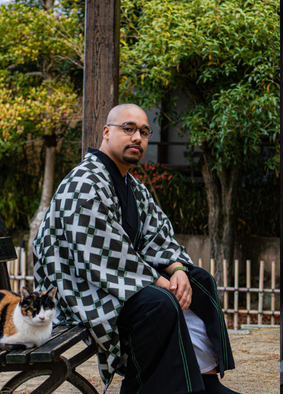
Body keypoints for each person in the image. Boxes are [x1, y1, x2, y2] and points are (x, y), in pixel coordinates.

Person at [33, 103, 238, 394]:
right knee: (159, 301)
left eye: (143, 131)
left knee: (199, 281)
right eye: (128, 129)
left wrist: (178, 269)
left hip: (115, 280)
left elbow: (158, 234)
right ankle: (143, 387)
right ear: (106, 132)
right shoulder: (84, 181)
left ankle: (204, 378)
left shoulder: (133, 186)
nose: (137, 138)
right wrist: (160, 281)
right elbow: (103, 249)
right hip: (79, 289)